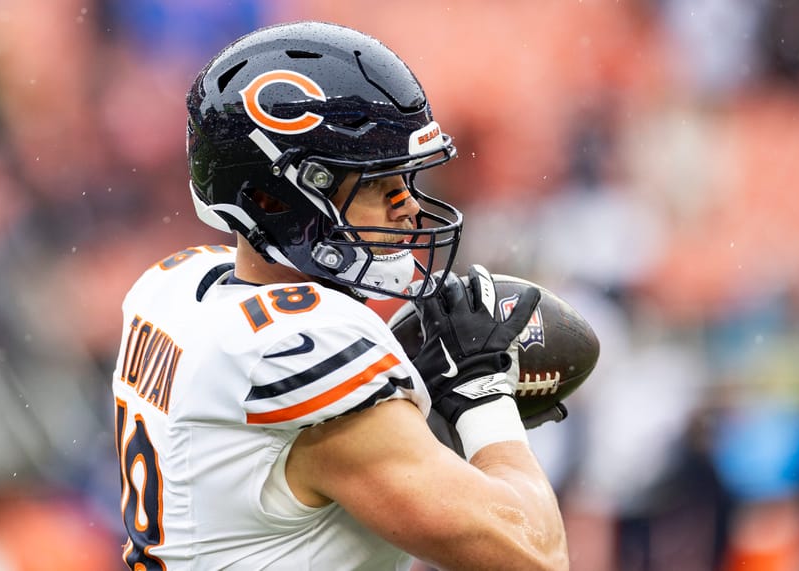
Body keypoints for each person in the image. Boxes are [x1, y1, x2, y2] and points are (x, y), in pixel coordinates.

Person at [111, 20, 568, 570]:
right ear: (279, 199)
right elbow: (534, 552)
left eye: (405, 180)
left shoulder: (177, 288)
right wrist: (481, 393)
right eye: (376, 183)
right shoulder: (309, 350)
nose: (408, 206)